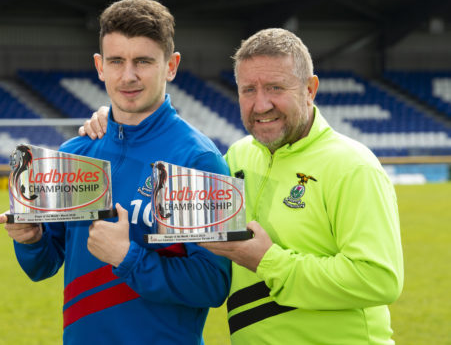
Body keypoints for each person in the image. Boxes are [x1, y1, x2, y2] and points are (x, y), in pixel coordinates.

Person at [79, 28, 404, 344]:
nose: (261, 105)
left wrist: (268, 261)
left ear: (309, 88)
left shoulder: (353, 167)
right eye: (249, 90)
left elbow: (380, 279)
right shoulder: (236, 158)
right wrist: (119, 122)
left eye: (276, 88)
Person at [0, 0, 231, 345]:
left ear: (171, 65)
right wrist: (31, 239)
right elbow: (43, 265)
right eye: (116, 61)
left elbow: (211, 286)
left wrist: (127, 257)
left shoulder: (197, 160)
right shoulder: (77, 152)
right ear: (99, 65)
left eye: (144, 61)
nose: (128, 76)